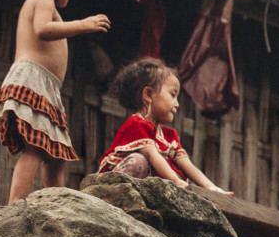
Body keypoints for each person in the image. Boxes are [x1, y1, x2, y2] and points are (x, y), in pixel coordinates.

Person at [0, 0, 110, 204]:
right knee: (36, 148)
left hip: (45, 87)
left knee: (54, 154)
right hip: (33, 81)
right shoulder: (43, 1)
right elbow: (42, 30)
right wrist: (83, 25)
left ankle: (54, 203)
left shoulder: (37, 1)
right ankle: (15, 203)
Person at [98, 58, 232, 194]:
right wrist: (176, 181)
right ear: (148, 95)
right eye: (173, 95)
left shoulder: (170, 136)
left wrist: (211, 188)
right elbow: (152, 155)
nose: (177, 104)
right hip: (114, 186)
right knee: (139, 161)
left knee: (173, 172)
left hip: (145, 188)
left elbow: (187, 165)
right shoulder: (136, 125)